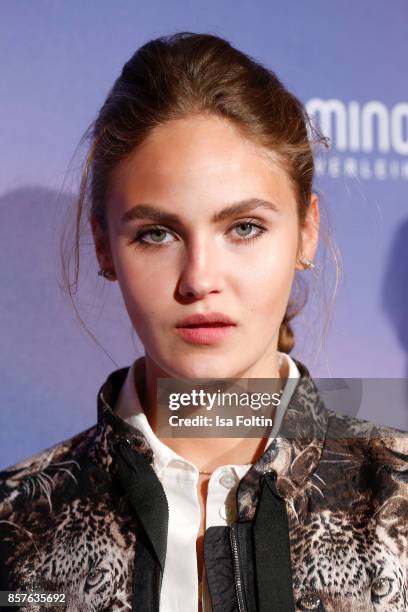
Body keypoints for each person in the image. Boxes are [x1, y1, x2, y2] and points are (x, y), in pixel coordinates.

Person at [1, 31, 408, 612]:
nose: (199, 279)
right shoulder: (15, 529)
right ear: (104, 246)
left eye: (244, 227)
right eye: (157, 234)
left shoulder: (400, 501)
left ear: (306, 231)